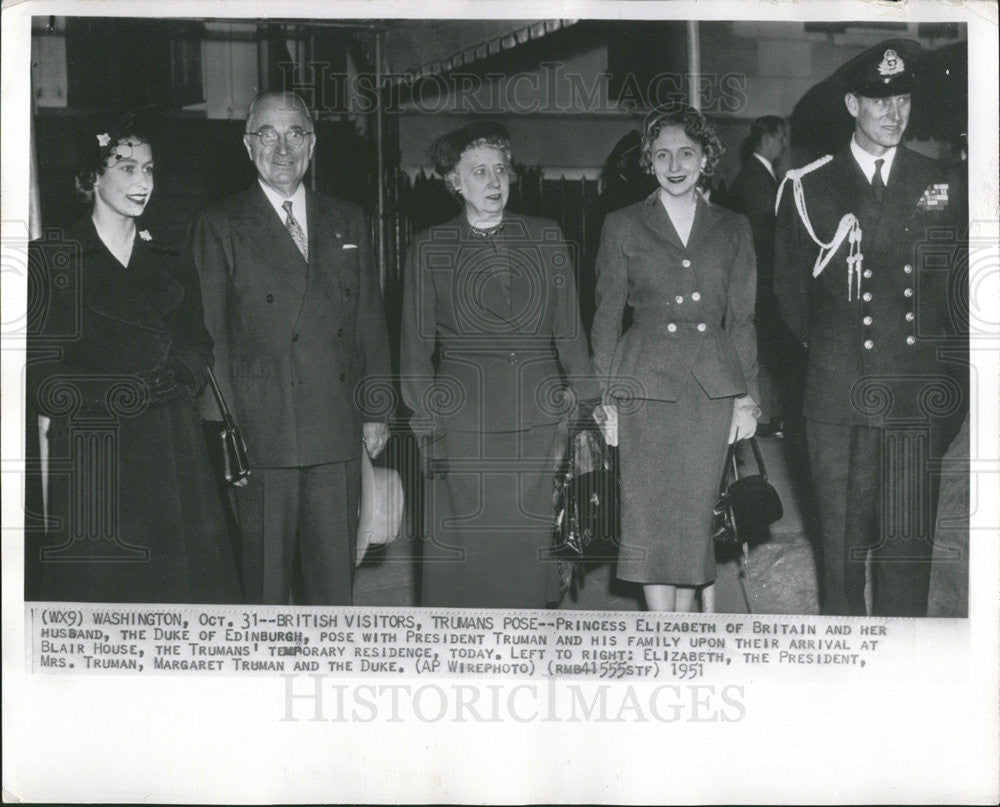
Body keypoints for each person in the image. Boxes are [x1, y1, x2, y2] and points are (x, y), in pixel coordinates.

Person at [774, 41, 966, 617]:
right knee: (840, 559)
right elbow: (790, 301)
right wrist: (841, 359)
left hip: (914, 397)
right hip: (840, 402)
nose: (894, 113)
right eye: (880, 100)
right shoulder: (808, 187)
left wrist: (946, 396)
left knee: (908, 560)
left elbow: (956, 299)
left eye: (903, 99)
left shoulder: (943, 183)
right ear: (852, 103)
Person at [26, 113, 241, 603]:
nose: (143, 181)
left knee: (180, 593)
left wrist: (177, 377)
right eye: (126, 167)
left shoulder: (169, 255)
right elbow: (37, 377)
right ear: (91, 178)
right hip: (94, 454)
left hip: (171, 448)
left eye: (148, 169)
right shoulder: (51, 260)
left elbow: (199, 344)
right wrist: (111, 391)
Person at [190, 92, 392, 605]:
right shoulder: (219, 223)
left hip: (334, 429)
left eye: (295, 133)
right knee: (264, 586)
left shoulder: (347, 219)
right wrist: (225, 434)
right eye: (267, 134)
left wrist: (375, 410)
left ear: (313, 142)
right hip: (260, 436)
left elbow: (370, 321)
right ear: (247, 144)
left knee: (332, 589)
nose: (282, 148)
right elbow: (210, 336)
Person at [400, 121, 598, 608]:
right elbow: (414, 349)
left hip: (538, 419)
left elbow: (570, 331)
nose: (494, 182)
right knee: (466, 557)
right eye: (479, 172)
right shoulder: (430, 247)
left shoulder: (547, 236)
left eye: (501, 170)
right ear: (455, 182)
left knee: (527, 553)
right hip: (463, 425)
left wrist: (590, 406)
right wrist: (429, 426)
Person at [591, 105, 760, 613]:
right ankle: (661, 630)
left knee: (692, 518)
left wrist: (747, 398)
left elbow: (743, 320)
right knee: (647, 516)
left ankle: (680, 633)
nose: (675, 163)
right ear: (649, 161)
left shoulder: (733, 227)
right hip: (643, 386)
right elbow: (604, 318)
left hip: (710, 387)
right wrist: (606, 400)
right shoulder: (622, 225)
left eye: (687, 152)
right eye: (662, 154)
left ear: (705, 157)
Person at [730, 115, 802, 435]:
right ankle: (766, 417)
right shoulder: (755, 179)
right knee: (767, 347)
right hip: (760, 279)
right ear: (768, 139)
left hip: (762, 278)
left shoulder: (762, 175)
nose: (784, 144)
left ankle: (769, 416)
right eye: (781, 137)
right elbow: (766, 235)